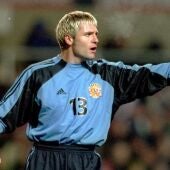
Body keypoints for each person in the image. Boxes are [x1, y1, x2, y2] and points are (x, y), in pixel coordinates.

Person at [0, 10, 170, 170]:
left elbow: (150, 74)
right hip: (45, 160)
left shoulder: (109, 75)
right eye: (88, 34)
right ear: (69, 39)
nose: (95, 39)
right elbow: (3, 115)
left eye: (96, 34)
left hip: (86, 160)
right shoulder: (37, 75)